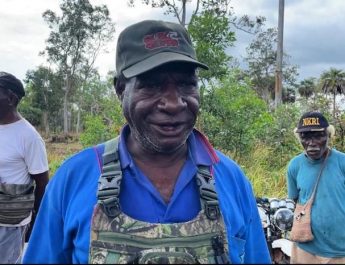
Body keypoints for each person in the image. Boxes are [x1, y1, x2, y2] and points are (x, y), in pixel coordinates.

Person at [23, 20, 271, 264]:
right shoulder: (74, 177)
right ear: (120, 89)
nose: (174, 103)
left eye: (186, 84)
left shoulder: (231, 178)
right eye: (152, 85)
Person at [0, 72, 49, 264]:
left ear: (11, 98)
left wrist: (36, 222)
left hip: (10, 219)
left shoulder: (29, 137)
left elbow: (43, 184)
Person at [287, 111, 345, 264]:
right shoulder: (295, 165)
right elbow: (295, 199)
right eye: (305, 136)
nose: (311, 143)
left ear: (328, 136)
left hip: (339, 251)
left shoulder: (342, 162)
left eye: (318, 136)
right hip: (305, 249)